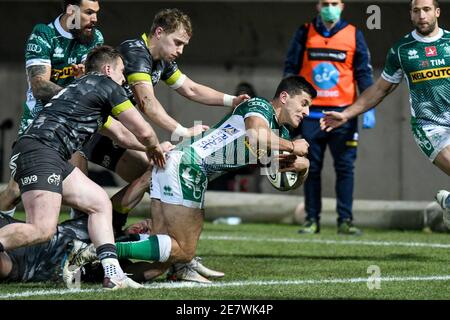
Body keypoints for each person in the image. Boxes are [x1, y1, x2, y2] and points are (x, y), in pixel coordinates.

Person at [67, 76, 313, 281]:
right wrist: (293, 146)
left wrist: (302, 168)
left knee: (157, 266)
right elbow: (256, 134)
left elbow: (282, 180)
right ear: (284, 97)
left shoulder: (278, 134)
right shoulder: (261, 107)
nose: (306, 111)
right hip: (189, 167)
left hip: (179, 165)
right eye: (304, 103)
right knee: (183, 249)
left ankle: (98, 266)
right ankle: (97, 250)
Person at [0, 45, 166, 289]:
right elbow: (141, 129)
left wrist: (153, 147)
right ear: (108, 69)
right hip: (42, 151)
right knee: (42, 229)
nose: (124, 80)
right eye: (122, 73)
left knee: (99, 202)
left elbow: (121, 134)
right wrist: (155, 146)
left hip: (46, 153)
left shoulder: (83, 90)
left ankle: (113, 274)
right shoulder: (107, 85)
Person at [319, 0, 450, 228]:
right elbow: (380, 89)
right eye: (416, 11)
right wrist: (347, 114)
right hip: (429, 127)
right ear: (411, 14)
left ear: (437, 12)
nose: (422, 15)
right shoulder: (401, 50)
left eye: (427, 10)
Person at [0, 0, 104, 217]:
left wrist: (82, 79)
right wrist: (78, 91)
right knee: (16, 189)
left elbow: (94, 85)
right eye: (88, 12)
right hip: (40, 122)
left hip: (73, 123)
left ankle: (77, 243)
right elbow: (39, 86)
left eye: (96, 13)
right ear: (71, 11)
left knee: (82, 188)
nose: (94, 19)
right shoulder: (43, 34)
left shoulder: (95, 38)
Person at [283, 0, 375, 235]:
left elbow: (363, 72)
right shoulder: (304, 32)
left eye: (334, 3)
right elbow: (290, 69)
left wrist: (368, 106)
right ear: (318, 5)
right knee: (310, 169)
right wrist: (287, 107)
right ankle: (311, 220)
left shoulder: (354, 34)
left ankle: (345, 221)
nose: (329, 7)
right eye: (325, 3)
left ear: (342, 6)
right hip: (310, 115)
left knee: (345, 169)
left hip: (342, 116)